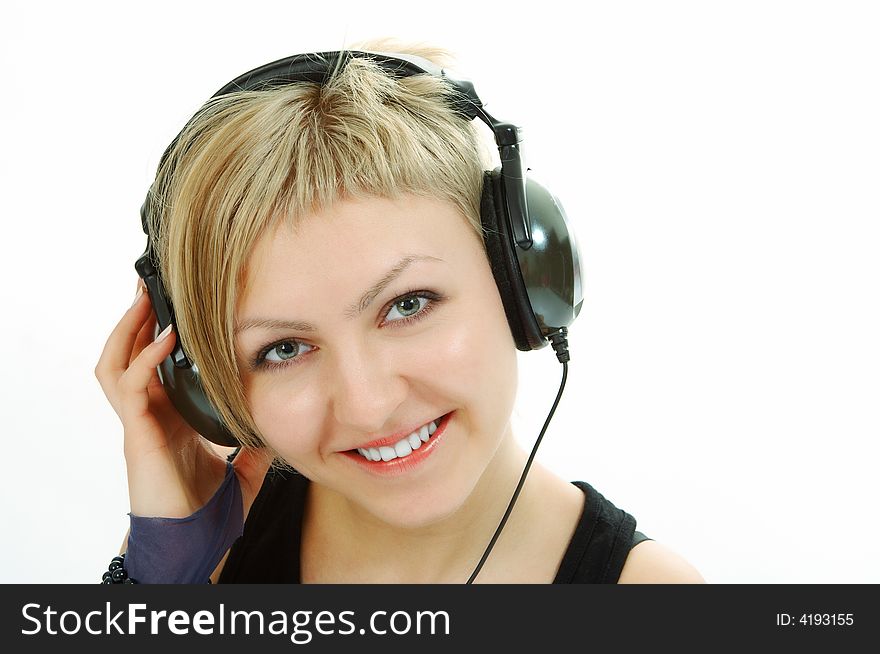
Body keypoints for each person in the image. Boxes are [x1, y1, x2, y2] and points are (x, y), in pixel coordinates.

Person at [95, 38, 705, 584]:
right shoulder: (203, 548)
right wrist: (156, 582)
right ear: (203, 392)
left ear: (520, 279)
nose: (368, 405)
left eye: (407, 305)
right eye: (284, 349)